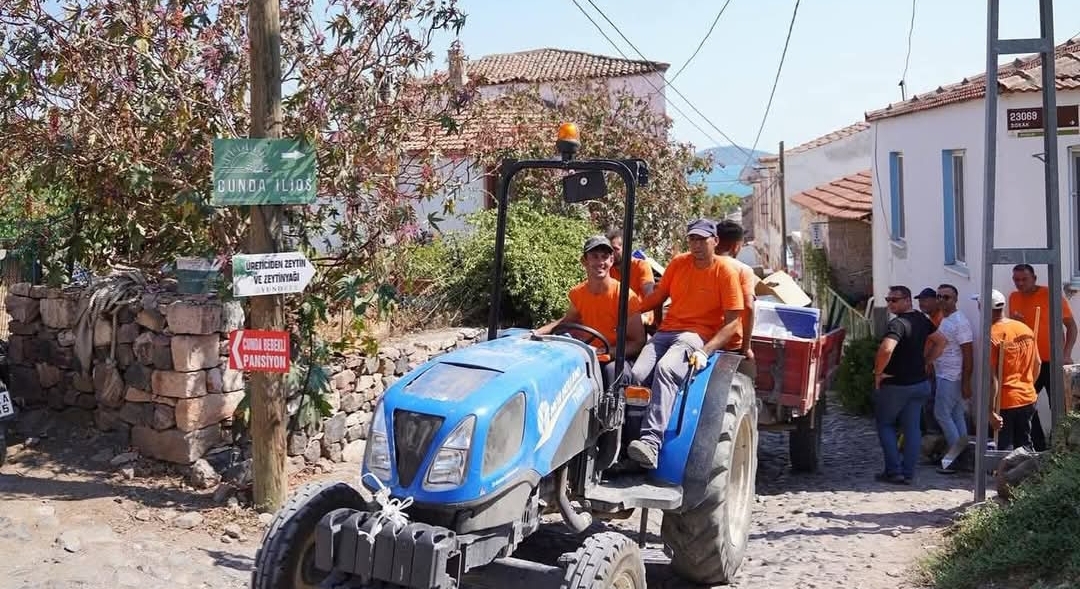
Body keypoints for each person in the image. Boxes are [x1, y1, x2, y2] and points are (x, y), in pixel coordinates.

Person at [625, 219, 745, 469]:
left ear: (715, 241)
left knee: (667, 370)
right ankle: (625, 445)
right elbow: (658, 296)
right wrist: (626, 309)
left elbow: (733, 322)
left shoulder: (725, 272)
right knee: (635, 374)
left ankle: (651, 442)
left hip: (695, 336)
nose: (697, 245)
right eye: (692, 239)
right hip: (666, 332)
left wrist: (705, 350)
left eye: (702, 240)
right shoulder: (679, 263)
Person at [534, 235, 646, 387]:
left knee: (612, 372)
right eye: (594, 256)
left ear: (611, 261)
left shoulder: (625, 296)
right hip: (587, 353)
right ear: (584, 261)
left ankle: (613, 411)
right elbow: (566, 322)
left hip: (616, 357)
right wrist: (537, 333)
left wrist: (607, 352)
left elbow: (638, 342)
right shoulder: (578, 294)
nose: (600, 262)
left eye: (605, 257)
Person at [872, 285, 946, 484]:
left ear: (907, 301)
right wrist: (926, 362)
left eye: (895, 300)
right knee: (912, 428)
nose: (890, 304)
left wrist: (878, 373)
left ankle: (894, 471)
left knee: (885, 424)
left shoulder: (898, 324)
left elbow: (886, 349)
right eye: (888, 300)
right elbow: (941, 342)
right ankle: (908, 473)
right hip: (920, 383)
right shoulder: (922, 320)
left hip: (896, 384)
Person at [1008, 263, 1077, 451]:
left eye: (1024, 279)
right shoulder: (1013, 297)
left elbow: (1071, 327)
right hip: (1028, 362)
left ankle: (1060, 448)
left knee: (1059, 406)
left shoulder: (1051, 296)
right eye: (1016, 280)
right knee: (1025, 403)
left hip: (1052, 361)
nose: (1020, 283)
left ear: (1034, 278)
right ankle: (1038, 446)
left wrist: (1066, 353)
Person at [978, 289, 1041, 451]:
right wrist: (1027, 386)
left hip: (1004, 402)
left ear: (983, 307)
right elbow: (1038, 363)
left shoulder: (991, 335)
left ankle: (1007, 477)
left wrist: (991, 412)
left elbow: (992, 380)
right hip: (1027, 397)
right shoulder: (1024, 329)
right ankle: (1028, 477)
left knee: (1005, 450)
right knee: (1025, 446)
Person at [931, 284, 973, 473]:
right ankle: (965, 455)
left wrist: (966, 381)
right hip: (944, 374)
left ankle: (956, 458)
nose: (941, 300)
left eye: (946, 297)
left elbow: (968, 353)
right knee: (956, 416)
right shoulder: (946, 320)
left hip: (951, 376)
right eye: (939, 296)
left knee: (941, 414)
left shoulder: (959, 322)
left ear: (955, 300)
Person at [715, 219, 757, 375]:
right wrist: (746, 348)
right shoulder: (743, 270)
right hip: (730, 345)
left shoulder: (699, 265)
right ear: (736, 246)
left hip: (700, 339)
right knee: (748, 378)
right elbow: (748, 306)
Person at [607, 228, 658, 328]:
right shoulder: (607, 269)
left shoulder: (641, 266)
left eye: (615, 249)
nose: (611, 254)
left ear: (626, 249)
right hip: (615, 319)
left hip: (640, 318)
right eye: (609, 250)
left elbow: (649, 292)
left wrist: (642, 315)